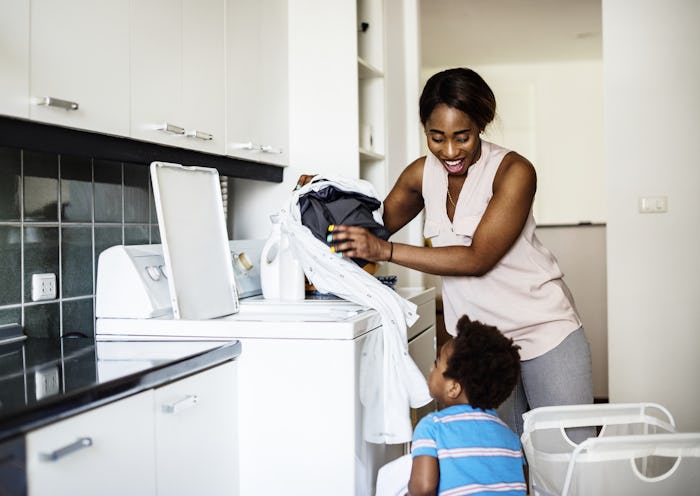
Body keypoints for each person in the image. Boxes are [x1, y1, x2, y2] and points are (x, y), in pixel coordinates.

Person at [297, 67, 593, 438]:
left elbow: (477, 258)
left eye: (462, 137)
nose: (450, 151)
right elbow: (368, 230)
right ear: (425, 130)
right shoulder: (420, 176)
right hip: (480, 345)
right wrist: (322, 194)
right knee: (495, 461)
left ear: (481, 124)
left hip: (544, 330)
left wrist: (385, 250)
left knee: (568, 456)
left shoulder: (514, 172)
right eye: (436, 138)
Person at [408, 315, 526, 496]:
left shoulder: (433, 426)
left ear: (453, 388)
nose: (431, 369)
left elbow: (424, 488)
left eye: (436, 364)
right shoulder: (510, 437)